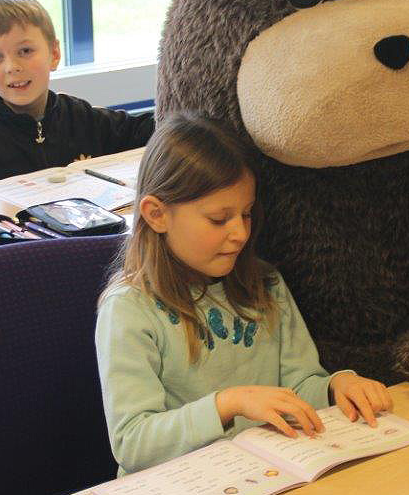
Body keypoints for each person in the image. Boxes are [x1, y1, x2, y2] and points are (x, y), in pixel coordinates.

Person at [95, 112, 392, 476]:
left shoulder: (263, 284)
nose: (240, 233)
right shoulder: (130, 310)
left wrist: (335, 385)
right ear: (157, 215)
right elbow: (132, 443)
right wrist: (228, 403)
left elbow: (298, 386)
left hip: (265, 474)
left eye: (247, 214)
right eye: (219, 219)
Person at [0, 0, 154, 189]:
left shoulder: (82, 116)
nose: (12, 67)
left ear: (54, 54)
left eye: (25, 51)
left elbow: (153, 130)